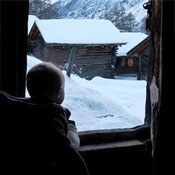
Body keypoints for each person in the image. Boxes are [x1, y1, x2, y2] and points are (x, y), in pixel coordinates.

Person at [26, 62, 89, 175]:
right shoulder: (51, 118)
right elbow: (70, 150)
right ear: (60, 93)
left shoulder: (24, 108)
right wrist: (68, 125)